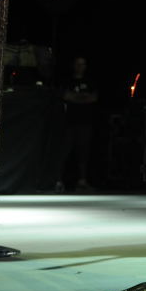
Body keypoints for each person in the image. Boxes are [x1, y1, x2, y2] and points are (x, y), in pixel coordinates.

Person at [58, 55, 99, 192]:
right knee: (64, 151)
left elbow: (93, 98)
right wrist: (83, 97)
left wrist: (75, 97)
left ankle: (82, 182)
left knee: (83, 152)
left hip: (85, 122)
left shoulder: (90, 82)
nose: (80, 67)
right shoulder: (68, 81)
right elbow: (66, 96)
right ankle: (59, 181)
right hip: (70, 122)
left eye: (83, 64)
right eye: (78, 64)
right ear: (73, 65)